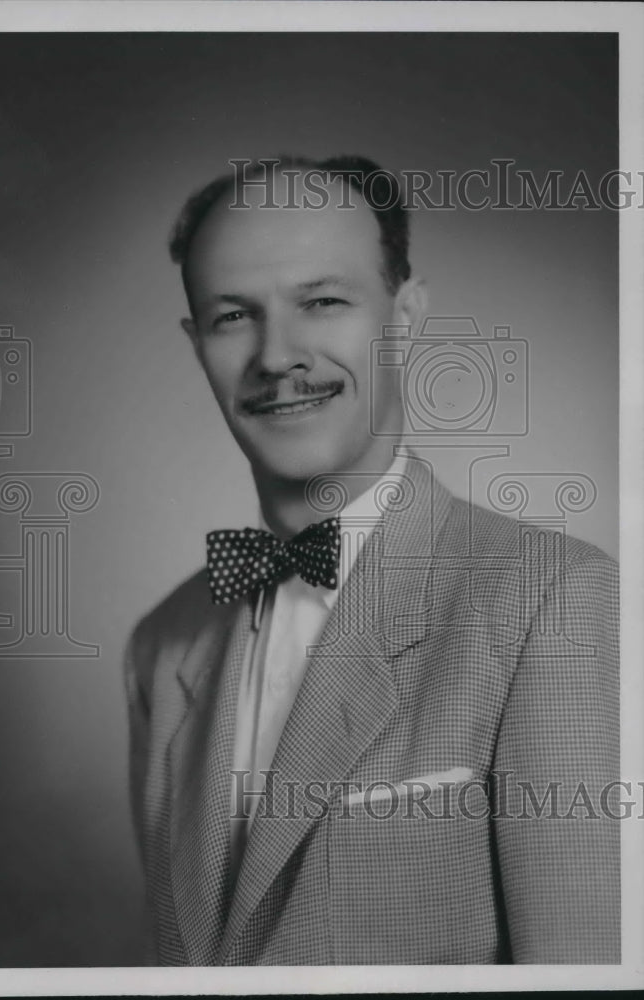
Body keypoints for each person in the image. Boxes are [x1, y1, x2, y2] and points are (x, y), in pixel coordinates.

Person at [124, 155, 619, 965]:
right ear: (195, 344)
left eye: (321, 301)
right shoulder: (161, 643)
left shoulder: (551, 598)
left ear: (406, 313)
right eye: (231, 316)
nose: (277, 355)